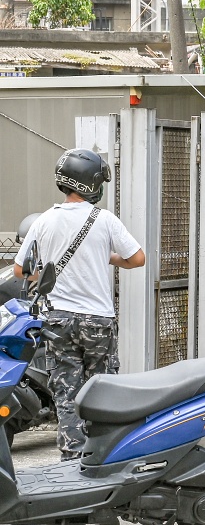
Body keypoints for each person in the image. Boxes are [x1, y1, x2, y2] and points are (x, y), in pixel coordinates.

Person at [14, 149, 145, 461]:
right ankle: (106, 454)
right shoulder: (105, 220)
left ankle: (72, 459)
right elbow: (137, 258)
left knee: (66, 391)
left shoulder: (44, 220)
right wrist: (108, 257)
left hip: (57, 319)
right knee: (104, 390)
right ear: (91, 184)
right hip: (97, 320)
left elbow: (21, 269)